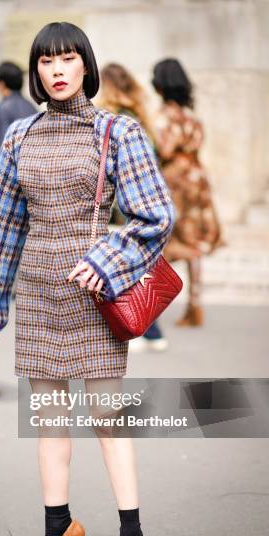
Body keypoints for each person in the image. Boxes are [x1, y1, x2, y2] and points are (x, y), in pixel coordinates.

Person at [0, 22, 175, 536]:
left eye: (67, 59)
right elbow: (0, 227)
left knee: (109, 423)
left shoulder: (118, 131)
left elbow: (155, 217)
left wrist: (107, 261)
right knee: (51, 425)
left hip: (95, 300)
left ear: (86, 65)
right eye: (46, 62)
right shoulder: (19, 136)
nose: (56, 70)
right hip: (38, 297)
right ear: (36, 72)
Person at [100, 62, 168, 352]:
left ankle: (139, 330)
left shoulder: (114, 121)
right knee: (139, 266)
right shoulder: (141, 118)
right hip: (145, 204)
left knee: (123, 269)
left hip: (122, 207)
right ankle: (152, 332)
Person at [152, 58, 224, 326]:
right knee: (193, 242)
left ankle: (152, 306)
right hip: (197, 178)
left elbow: (166, 149)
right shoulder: (191, 117)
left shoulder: (163, 118)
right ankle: (194, 305)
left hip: (176, 182)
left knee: (166, 243)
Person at [0, 61, 36, 191]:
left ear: (1, 84)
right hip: (30, 177)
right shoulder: (32, 108)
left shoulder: (3, 109)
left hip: (7, 184)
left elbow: (1, 151)